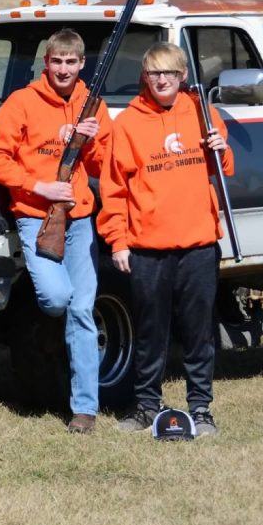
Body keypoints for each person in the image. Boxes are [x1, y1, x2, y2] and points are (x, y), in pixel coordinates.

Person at [97, 42, 233, 436]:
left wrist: (220, 150)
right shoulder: (128, 124)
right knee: (150, 331)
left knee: (198, 331)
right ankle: (145, 406)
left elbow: (224, 170)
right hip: (148, 248)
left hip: (198, 244)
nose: (162, 80)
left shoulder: (203, 114)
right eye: (155, 73)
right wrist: (118, 241)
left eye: (170, 73)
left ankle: (201, 407)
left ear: (183, 77)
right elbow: (114, 189)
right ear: (145, 77)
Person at [0, 28, 111, 434]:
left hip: (78, 221)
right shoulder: (22, 102)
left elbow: (104, 164)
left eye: (71, 62)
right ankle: (53, 332)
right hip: (36, 219)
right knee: (56, 299)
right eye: (56, 61)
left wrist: (90, 142)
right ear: (45, 64)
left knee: (82, 311)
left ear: (81, 64)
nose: (63, 69)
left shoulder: (94, 106)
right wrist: (37, 185)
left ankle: (85, 410)